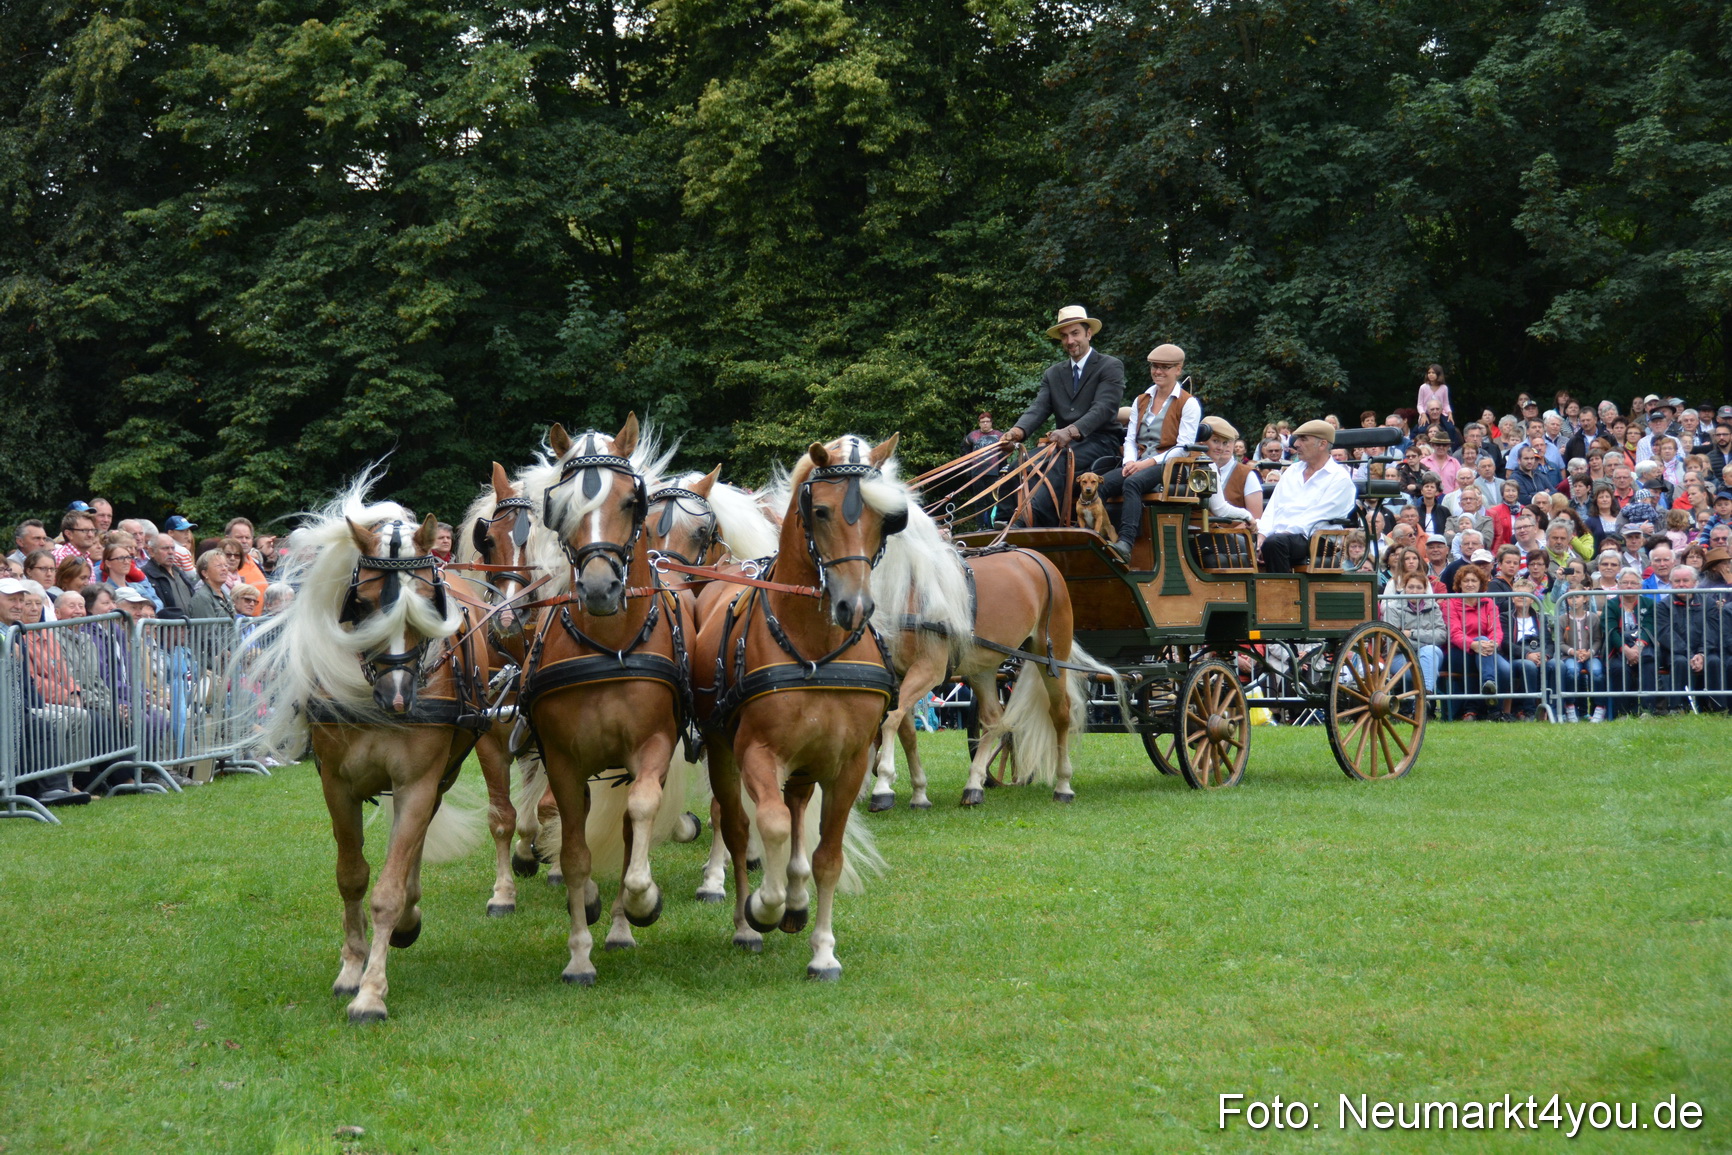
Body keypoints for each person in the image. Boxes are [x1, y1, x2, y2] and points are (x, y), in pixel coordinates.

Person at [1002, 305, 1127, 527]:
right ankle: (1001, 522)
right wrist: (1016, 432)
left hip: (1100, 441)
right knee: (1018, 466)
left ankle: (1028, 523)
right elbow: (1039, 408)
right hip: (1062, 444)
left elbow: (1104, 408)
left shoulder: (1110, 366)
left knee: (1058, 465)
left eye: (1075, 333)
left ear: (1089, 333)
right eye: (1064, 336)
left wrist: (1071, 431)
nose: (1070, 341)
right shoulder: (1053, 373)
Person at [1100, 343, 1200, 557]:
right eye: (1155, 366)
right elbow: (1130, 439)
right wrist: (1129, 462)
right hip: (1137, 462)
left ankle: (1126, 543)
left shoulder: (1188, 403)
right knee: (1101, 484)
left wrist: (1145, 464)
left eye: (1165, 367)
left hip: (1169, 466)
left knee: (1132, 483)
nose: (1158, 371)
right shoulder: (1141, 400)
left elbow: (1182, 448)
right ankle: (1099, 537)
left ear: (1178, 369)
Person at [1255, 420, 1356, 573]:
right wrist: (1262, 535)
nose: (1296, 444)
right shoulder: (1292, 471)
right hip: (1282, 537)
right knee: (1246, 541)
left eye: (1303, 439)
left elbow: (1316, 518)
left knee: (1275, 543)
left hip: (1317, 538)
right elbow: (1272, 508)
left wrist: (1280, 535)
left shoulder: (1339, 478)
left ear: (1322, 444)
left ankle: (1282, 594)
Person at [1443, 564, 1510, 721]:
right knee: (1481, 644)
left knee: (1506, 669)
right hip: (1458, 652)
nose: (1470, 584)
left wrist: (1493, 643)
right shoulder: (1450, 603)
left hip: (1486, 650)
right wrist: (1473, 645)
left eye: (1474, 580)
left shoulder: (1489, 603)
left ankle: (1489, 695)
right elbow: (1454, 632)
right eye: (1466, 581)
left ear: (1481, 584)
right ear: (1459, 584)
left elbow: (1496, 629)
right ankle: (1494, 709)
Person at [1655, 565, 1724, 711]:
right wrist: (1691, 654)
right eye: (1677, 581)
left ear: (1695, 582)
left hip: (1705, 650)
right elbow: (1666, 634)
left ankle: (1717, 707)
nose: (1681, 585)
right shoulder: (1663, 606)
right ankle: (1677, 707)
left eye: (1685, 580)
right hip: (1675, 652)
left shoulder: (1708, 603)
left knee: (1714, 661)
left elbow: (1712, 631)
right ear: (1671, 584)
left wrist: (1701, 653)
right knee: (1680, 662)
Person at [1382, 571, 1446, 709]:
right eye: (1411, 587)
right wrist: (1426, 640)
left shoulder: (1433, 607)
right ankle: (1424, 700)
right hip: (1400, 658)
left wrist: (1412, 633)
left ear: (1425, 590)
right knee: (1428, 653)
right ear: (1404, 588)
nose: (1414, 591)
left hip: (1429, 656)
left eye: (1418, 587)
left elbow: (1441, 636)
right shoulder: (1393, 608)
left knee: (1430, 651)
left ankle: (1424, 696)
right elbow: (1394, 644)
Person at [1558, 588, 1607, 722]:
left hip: (1591, 655)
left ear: (1585, 599)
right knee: (1572, 671)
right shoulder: (1562, 619)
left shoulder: (1593, 617)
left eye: (1577, 597)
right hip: (1569, 656)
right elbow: (1560, 642)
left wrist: (1590, 652)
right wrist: (1573, 652)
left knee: (1597, 671)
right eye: (1570, 597)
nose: (1573, 600)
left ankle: (1599, 707)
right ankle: (1570, 706)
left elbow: (1598, 640)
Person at [141, 534, 194, 620]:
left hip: (190, 628)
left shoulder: (179, 572)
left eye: (173, 548)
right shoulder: (144, 575)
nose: (170, 552)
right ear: (151, 552)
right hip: (166, 630)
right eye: (165, 548)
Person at [187, 548, 236, 619]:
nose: (224, 569)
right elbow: (208, 628)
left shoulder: (225, 595)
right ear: (205, 573)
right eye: (219, 566)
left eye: (226, 565)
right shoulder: (202, 598)